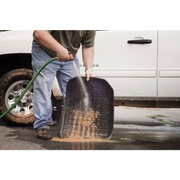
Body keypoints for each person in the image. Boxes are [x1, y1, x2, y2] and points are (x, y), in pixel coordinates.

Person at [31, 27, 96, 140]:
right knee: (43, 87)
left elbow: (88, 46)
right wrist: (59, 49)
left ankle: (74, 124)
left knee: (74, 90)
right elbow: (40, 33)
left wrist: (88, 68)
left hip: (69, 56)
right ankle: (42, 125)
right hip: (45, 51)